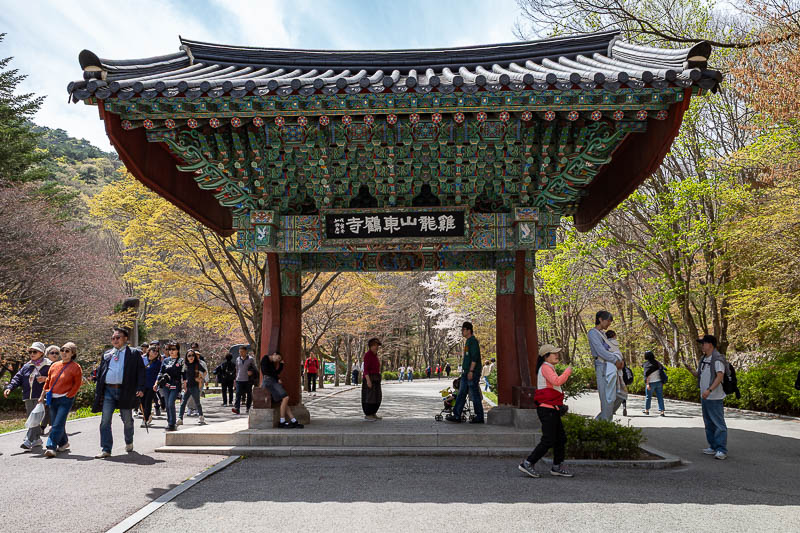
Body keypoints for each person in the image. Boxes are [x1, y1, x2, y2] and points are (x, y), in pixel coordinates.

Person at [519, 344, 574, 478]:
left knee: (560, 438)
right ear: (546, 356)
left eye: (557, 353)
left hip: (551, 409)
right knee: (548, 439)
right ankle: (528, 463)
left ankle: (557, 466)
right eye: (554, 353)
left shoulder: (548, 367)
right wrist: (568, 371)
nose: (557, 355)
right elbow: (557, 381)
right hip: (547, 409)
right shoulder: (545, 367)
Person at [92, 326, 146, 459]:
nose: (115, 340)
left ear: (125, 339)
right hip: (108, 390)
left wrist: (140, 388)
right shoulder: (107, 354)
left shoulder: (133, 353)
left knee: (127, 420)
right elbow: (102, 370)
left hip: (125, 391)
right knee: (105, 420)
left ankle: (129, 441)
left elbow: (141, 372)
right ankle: (106, 449)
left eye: (118, 337)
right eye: (113, 338)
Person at [684, 334, 728, 460]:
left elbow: (720, 376)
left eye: (703, 343)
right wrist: (690, 369)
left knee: (718, 424)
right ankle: (713, 446)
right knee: (708, 423)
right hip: (705, 396)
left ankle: (721, 449)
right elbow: (699, 374)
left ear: (710, 345)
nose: (702, 346)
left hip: (714, 396)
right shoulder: (704, 359)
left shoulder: (717, 359)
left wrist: (709, 390)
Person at [4, 342, 51, 450]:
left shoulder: (49, 365)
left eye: (35, 351)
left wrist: (45, 379)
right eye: (30, 351)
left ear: (41, 353)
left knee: (34, 418)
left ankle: (28, 440)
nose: (32, 353)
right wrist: (9, 388)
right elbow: (17, 378)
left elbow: (55, 378)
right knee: (33, 418)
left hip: (41, 396)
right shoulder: (27, 366)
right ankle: (37, 439)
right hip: (28, 396)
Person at [39, 342, 83, 458]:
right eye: (62, 350)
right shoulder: (54, 365)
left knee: (57, 424)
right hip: (53, 399)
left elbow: (77, 383)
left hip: (65, 399)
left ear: (72, 353)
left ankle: (51, 447)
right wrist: (43, 395)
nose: (63, 353)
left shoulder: (76, 367)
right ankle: (63, 443)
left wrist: (70, 395)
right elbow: (48, 381)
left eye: (67, 351)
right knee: (57, 423)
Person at [445, 322, 484, 424]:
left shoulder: (473, 341)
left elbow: (475, 357)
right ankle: (457, 415)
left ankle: (479, 417)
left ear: (468, 330)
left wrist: (471, 371)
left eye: (463, 330)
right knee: (461, 393)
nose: (462, 332)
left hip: (472, 372)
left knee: (474, 394)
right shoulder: (467, 342)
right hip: (465, 372)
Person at [588, 310, 623, 421]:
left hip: (610, 366)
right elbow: (600, 351)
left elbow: (609, 349)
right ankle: (605, 424)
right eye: (608, 321)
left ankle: (600, 421)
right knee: (607, 397)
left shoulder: (603, 334)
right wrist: (615, 360)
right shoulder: (593, 333)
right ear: (600, 319)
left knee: (620, 395)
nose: (609, 323)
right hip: (602, 367)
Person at [261, 352, 304, 428]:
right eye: (278, 358)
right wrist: (277, 378)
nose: (277, 360)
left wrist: (281, 365)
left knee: (283, 401)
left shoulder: (272, 363)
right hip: (269, 382)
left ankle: (293, 420)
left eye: (279, 359)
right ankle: (282, 421)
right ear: (274, 354)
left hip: (273, 382)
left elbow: (276, 372)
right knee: (285, 397)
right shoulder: (265, 359)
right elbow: (265, 371)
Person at [157, 341, 183, 431]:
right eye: (169, 349)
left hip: (175, 385)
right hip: (166, 385)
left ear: (177, 350)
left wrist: (185, 385)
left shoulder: (181, 361)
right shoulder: (165, 360)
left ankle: (173, 423)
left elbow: (184, 374)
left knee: (171, 403)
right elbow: (161, 372)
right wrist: (157, 382)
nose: (171, 351)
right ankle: (170, 423)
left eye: (173, 349)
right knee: (167, 404)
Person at [178, 350, 206, 425]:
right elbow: (183, 375)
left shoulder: (197, 364)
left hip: (195, 387)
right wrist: (184, 384)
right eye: (189, 355)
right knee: (183, 403)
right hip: (187, 387)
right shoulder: (185, 365)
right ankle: (180, 418)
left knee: (197, 403)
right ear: (186, 357)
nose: (191, 357)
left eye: (193, 355)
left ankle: (201, 416)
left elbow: (204, 371)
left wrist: (200, 378)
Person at [604, 330, 627, 417]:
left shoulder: (603, 345)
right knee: (620, 394)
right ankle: (609, 412)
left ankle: (608, 412)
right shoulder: (614, 345)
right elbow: (620, 364)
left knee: (610, 395)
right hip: (615, 373)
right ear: (614, 336)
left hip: (606, 373)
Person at [141, 344, 162, 427]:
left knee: (148, 402)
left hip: (152, 386)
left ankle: (145, 420)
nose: (156, 352)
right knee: (142, 402)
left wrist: (156, 383)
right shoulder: (142, 359)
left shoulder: (158, 363)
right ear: (149, 351)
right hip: (142, 385)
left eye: (157, 351)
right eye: (154, 351)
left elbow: (159, 374)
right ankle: (148, 414)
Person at [362, 338, 383, 421]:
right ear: (370, 346)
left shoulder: (375, 355)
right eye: (374, 345)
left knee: (377, 396)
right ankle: (368, 414)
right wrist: (368, 381)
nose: (376, 347)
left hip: (376, 378)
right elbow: (365, 369)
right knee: (369, 397)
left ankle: (373, 413)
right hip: (369, 378)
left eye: (377, 345)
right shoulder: (368, 355)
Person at [233, 346, 257, 414]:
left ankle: (248, 407)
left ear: (246, 351)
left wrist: (251, 372)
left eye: (242, 352)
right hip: (239, 379)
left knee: (249, 394)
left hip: (248, 380)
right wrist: (235, 379)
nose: (241, 353)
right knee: (238, 393)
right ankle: (237, 408)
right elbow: (237, 369)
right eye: (240, 352)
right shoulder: (237, 359)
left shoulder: (251, 359)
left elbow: (254, 368)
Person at [642, 350, 666, 416]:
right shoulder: (658, 363)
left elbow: (647, 375)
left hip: (651, 383)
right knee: (660, 397)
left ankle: (647, 410)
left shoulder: (646, 364)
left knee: (648, 397)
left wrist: (647, 384)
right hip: (659, 382)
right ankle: (662, 412)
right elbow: (661, 371)